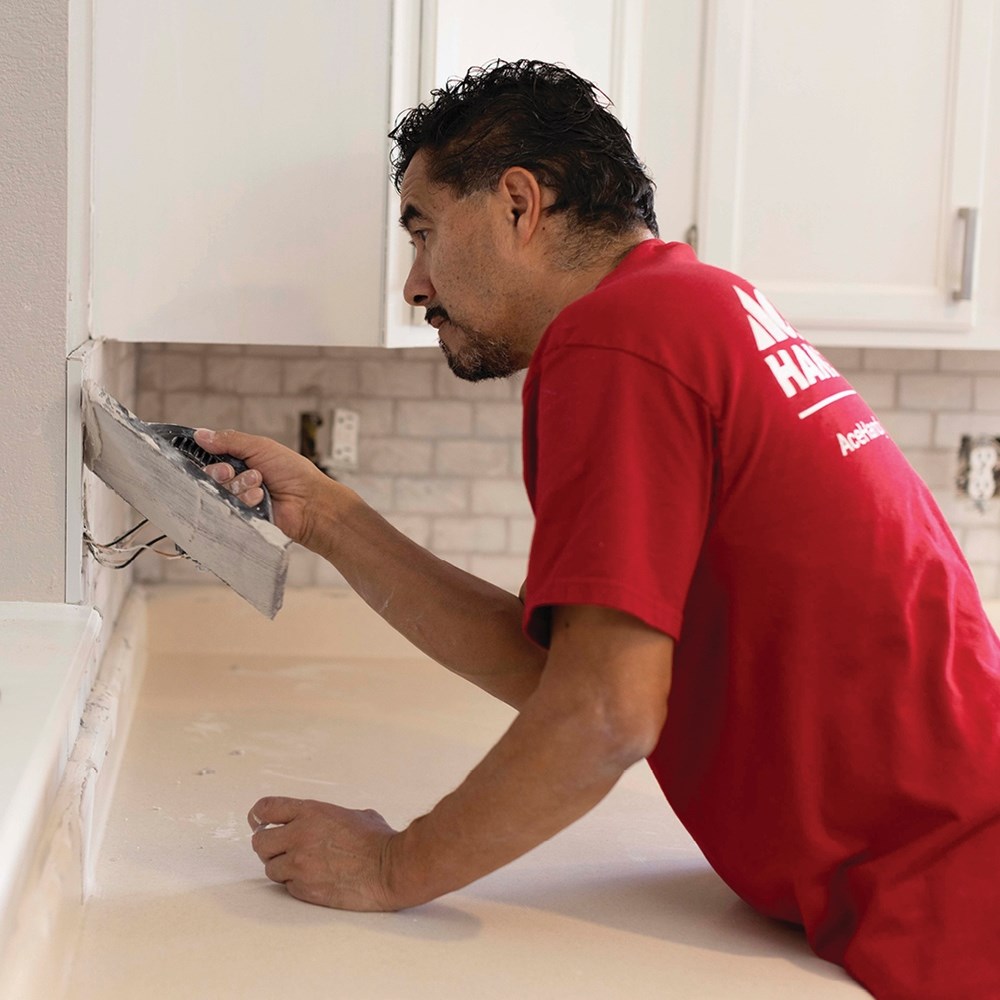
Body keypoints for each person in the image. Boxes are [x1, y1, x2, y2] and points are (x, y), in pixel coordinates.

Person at [194, 60, 1000, 999]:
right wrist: (328, 516)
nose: (416, 284)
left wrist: (389, 868)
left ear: (518, 204)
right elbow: (572, 674)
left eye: (422, 232)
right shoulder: (694, 304)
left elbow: (606, 714)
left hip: (959, 901)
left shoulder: (618, 340)